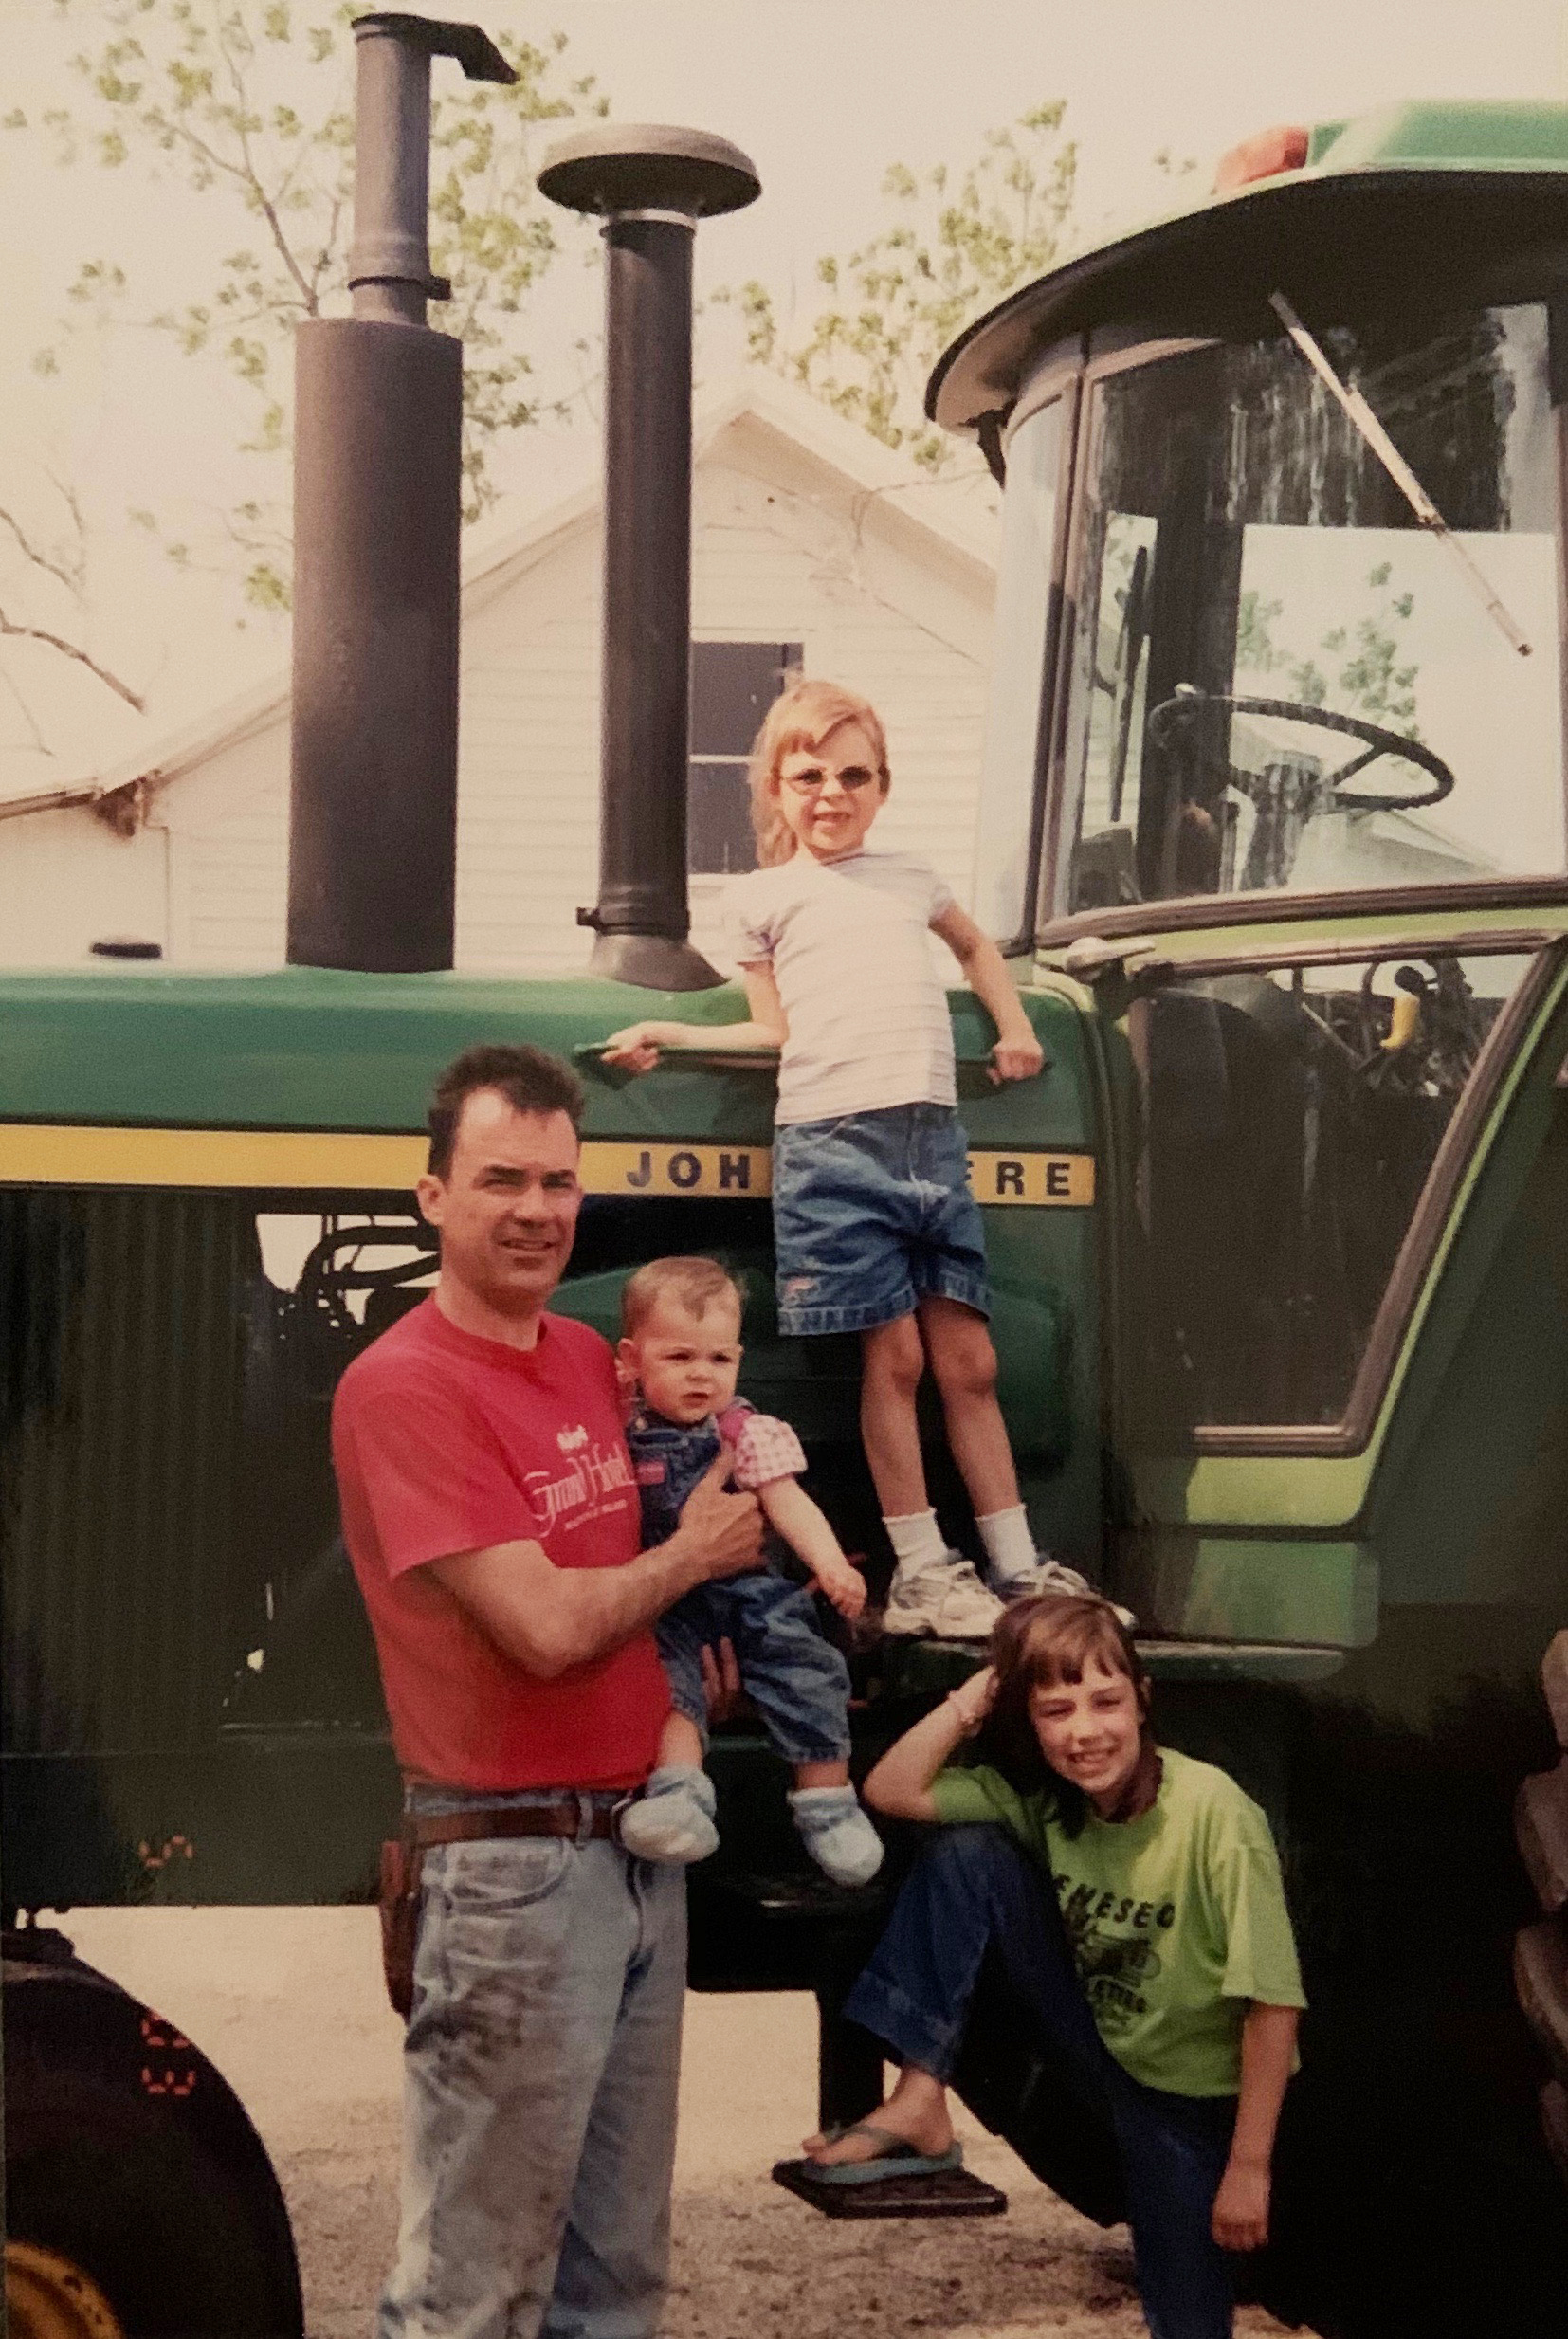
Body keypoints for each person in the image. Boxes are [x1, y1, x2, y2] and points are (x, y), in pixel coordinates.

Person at [331, 1041, 764, 2339]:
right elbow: (539, 1626)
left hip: (637, 1849)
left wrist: (693, 1663)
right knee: (473, 2292)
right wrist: (694, 1555)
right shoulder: (404, 1385)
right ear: (432, 1196)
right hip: (512, 1872)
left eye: (558, 1180)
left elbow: (614, 1588)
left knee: (614, 2286)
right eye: (501, 1177)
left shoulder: (587, 1355)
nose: (534, 1208)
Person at [603, 677, 1098, 1640]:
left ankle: (1017, 1564)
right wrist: (670, 1028)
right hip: (835, 1141)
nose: (832, 793)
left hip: (929, 1139)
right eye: (809, 775)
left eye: (854, 774)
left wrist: (1011, 1027)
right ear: (777, 788)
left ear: (882, 785)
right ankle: (920, 1569)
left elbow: (977, 948)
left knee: (973, 1359)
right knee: (899, 1357)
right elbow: (771, 1031)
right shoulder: (761, 900)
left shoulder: (909, 878)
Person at [805, 1594, 1304, 2339]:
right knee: (966, 1854)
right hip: (1106, 2051)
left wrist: (1249, 2166)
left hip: (1194, 2102)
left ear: (1142, 1699)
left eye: (1105, 1702)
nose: (1084, 1732)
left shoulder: (1216, 1817)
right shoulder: (1045, 1802)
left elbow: (1273, 2004)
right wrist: (972, 1698)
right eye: (1055, 1710)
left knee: (1189, 2315)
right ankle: (920, 2094)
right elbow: (890, 1790)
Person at [614, 1253, 884, 1887]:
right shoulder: (616, 1431)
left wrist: (826, 1562)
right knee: (666, 1687)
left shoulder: (746, 1430)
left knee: (808, 1666)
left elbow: (788, 1502)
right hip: (664, 1600)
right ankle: (680, 1795)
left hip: (748, 1594)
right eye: (679, 1358)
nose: (702, 1376)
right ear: (630, 1358)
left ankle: (828, 1805)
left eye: (719, 1359)